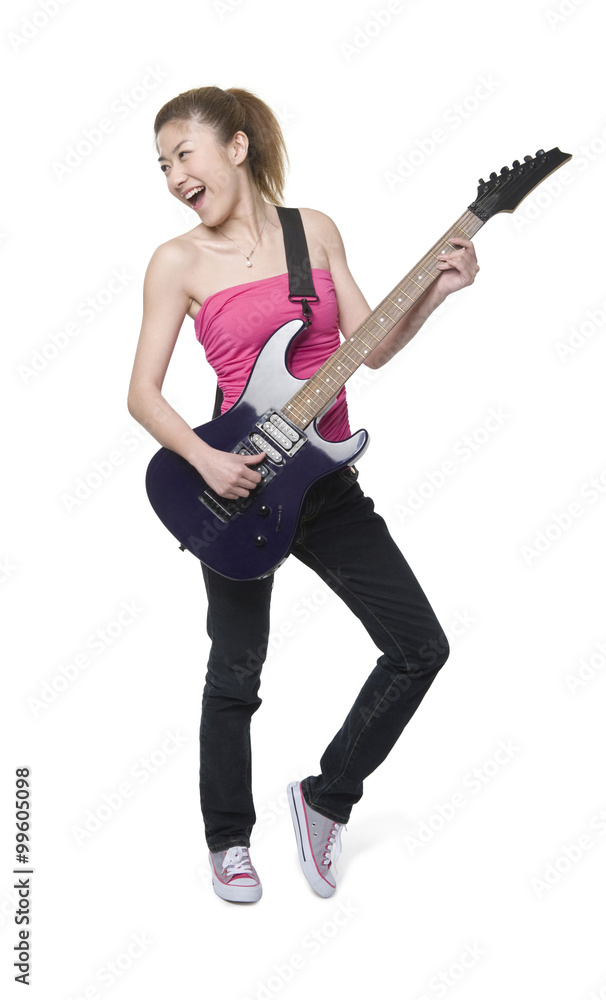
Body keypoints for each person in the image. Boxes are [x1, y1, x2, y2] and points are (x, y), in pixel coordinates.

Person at [127, 85, 480, 904]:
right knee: (237, 669)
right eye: (163, 164)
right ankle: (228, 840)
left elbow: (372, 348)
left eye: (185, 153)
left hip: (323, 481)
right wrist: (205, 462)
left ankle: (326, 800)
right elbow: (143, 394)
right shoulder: (175, 262)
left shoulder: (311, 233)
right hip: (237, 483)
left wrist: (436, 291)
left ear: (238, 147)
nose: (175, 174)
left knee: (419, 646)